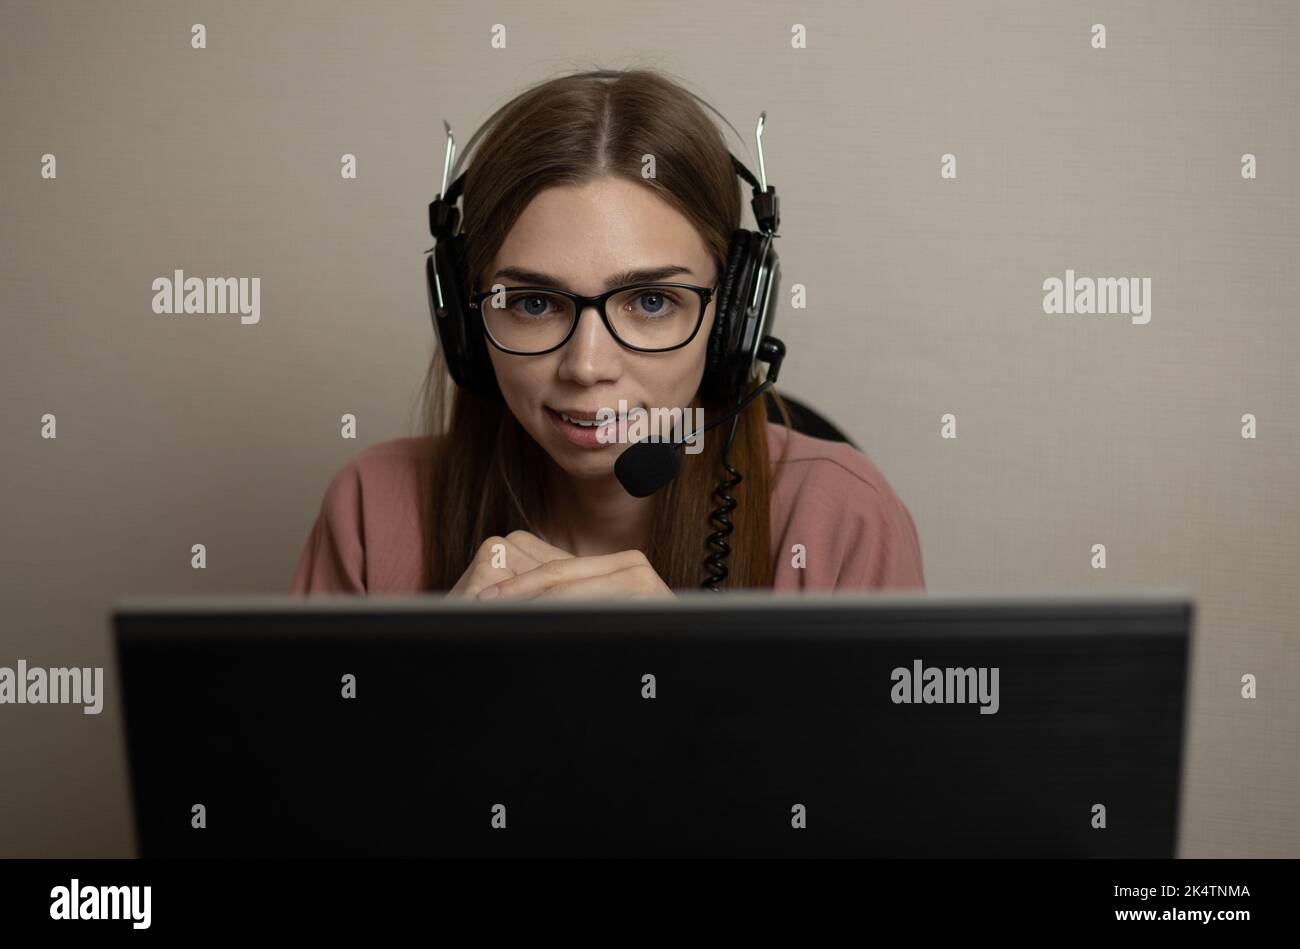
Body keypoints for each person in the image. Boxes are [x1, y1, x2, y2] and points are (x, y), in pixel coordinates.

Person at [290, 68, 924, 599]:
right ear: (462, 316)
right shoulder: (371, 508)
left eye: (651, 300)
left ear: (735, 316)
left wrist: (689, 672)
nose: (587, 366)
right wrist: (441, 667)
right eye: (534, 302)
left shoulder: (843, 517)